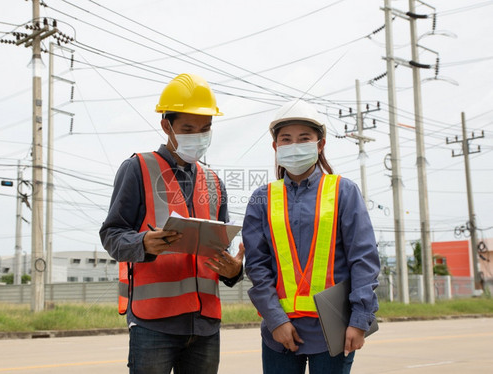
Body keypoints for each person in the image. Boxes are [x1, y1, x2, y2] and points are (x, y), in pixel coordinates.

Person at [99, 73, 244, 374]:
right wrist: (142, 243)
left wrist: (234, 271)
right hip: (154, 324)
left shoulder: (214, 182)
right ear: (167, 126)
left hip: (205, 324)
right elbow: (111, 235)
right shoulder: (137, 168)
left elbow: (219, 251)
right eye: (188, 129)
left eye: (205, 129)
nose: (198, 136)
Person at [242, 99, 380, 374]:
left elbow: (363, 259)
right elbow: (257, 266)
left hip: (335, 329)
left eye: (304, 138)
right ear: (275, 147)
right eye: (286, 139)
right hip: (280, 332)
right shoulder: (262, 198)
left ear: (320, 144)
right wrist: (276, 320)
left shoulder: (343, 191)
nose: (294, 146)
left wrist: (360, 319)